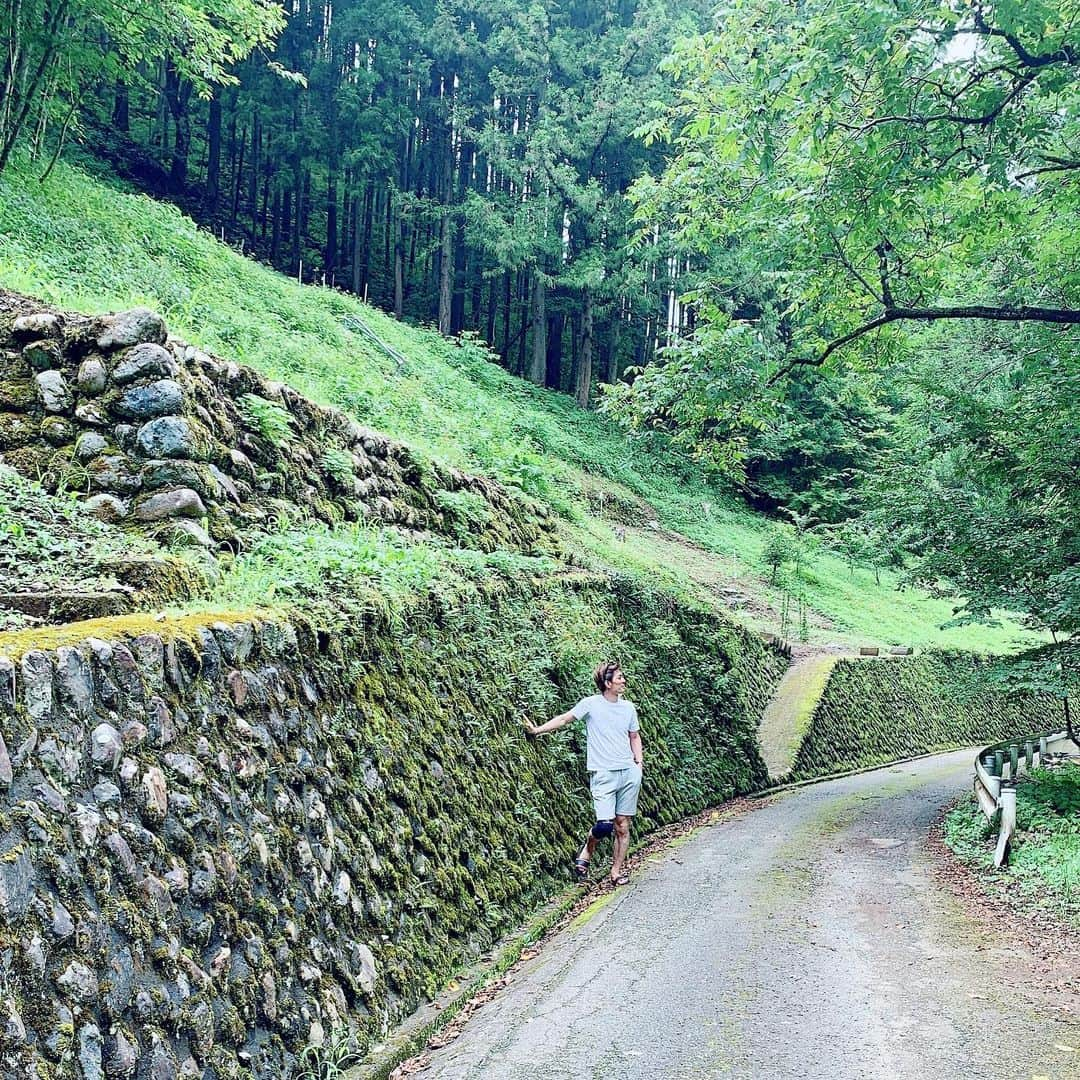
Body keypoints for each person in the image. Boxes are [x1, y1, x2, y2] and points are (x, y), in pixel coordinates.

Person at [523, 661, 643, 886]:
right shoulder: (591, 704)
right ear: (607, 683)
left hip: (628, 773)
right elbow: (564, 719)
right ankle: (589, 847)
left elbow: (634, 736)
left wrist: (639, 765)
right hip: (603, 773)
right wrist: (537, 730)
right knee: (605, 825)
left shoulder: (628, 708)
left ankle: (616, 872)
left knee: (623, 825)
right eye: (619, 678)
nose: (623, 680)